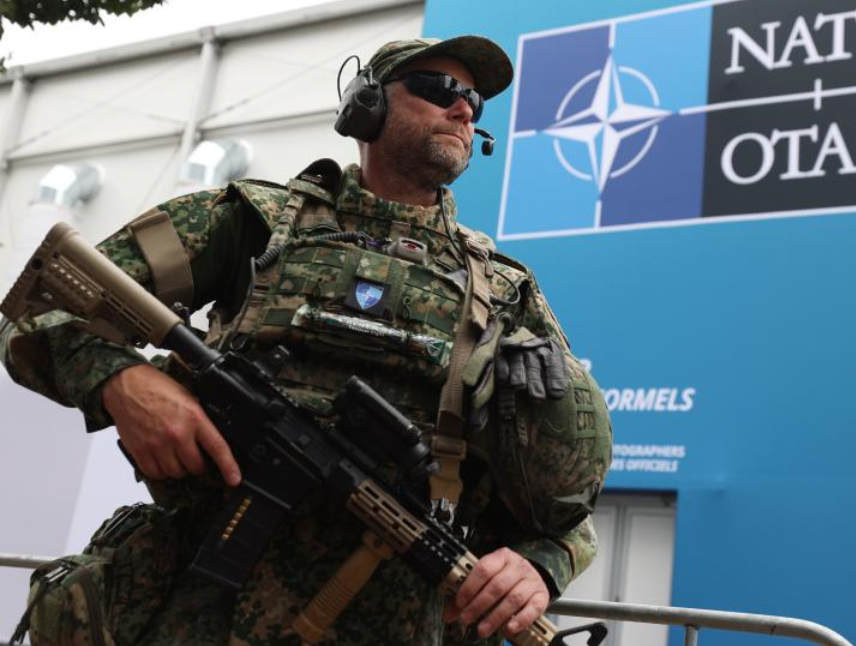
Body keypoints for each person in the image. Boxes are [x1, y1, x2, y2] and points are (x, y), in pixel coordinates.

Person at [1, 35, 612, 646]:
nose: (464, 110)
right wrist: (123, 384)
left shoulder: (505, 293)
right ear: (367, 104)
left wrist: (538, 564)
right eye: (438, 89)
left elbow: (570, 502)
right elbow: (41, 307)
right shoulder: (253, 224)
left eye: (473, 99)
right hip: (200, 610)